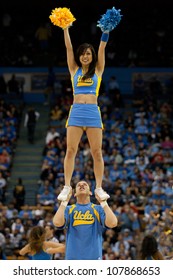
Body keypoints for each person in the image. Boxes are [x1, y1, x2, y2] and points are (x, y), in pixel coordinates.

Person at [50, 7, 122, 202]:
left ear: (92, 56)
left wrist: (105, 32)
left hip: (92, 112)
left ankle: (98, 188)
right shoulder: (74, 70)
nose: (85, 56)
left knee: (97, 152)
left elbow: (102, 48)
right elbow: (68, 49)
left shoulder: (98, 70)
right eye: (83, 54)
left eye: (88, 54)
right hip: (76, 112)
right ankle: (66, 186)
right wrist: (65, 29)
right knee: (70, 151)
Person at [53, 180, 118, 260]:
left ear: (90, 192)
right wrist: (64, 202)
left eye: (85, 184)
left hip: (93, 258)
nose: (81, 185)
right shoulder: (69, 209)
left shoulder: (97, 209)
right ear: (75, 194)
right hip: (73, 259)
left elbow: (113, 223)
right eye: (78, 185)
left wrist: (103, 203)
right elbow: (57, 223)